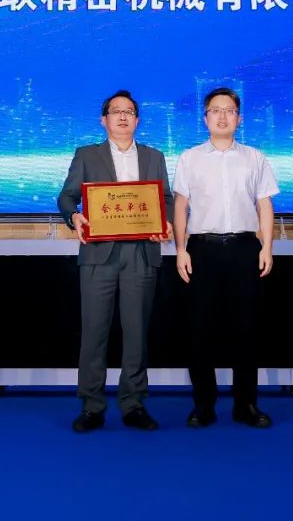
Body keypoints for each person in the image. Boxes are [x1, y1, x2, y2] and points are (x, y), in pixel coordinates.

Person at [58, 90, 174, 433]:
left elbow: (166, 198)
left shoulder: (154, 156)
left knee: (137, 333)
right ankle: (91, 406)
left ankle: (133, 404)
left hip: (141, 252)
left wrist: (166, 221)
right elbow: (67, 196)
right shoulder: (86, 155)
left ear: (137, 120)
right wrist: (74, 216)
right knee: (94, 332)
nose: (123, 116)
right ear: (104, 120)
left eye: (129, 112)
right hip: (99, 254)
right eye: (116, 111)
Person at [172, 87, 279, 429]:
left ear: (239, 118)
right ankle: (203, 405)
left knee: (246, 329)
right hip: (201, 250)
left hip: (244, 249)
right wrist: (180, 249)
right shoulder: (190, 158)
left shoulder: (255, 158)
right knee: (200, 330)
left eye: (229, 110)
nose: (222, 116)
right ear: (205, 118)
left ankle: (246, 404)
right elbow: (180, 206)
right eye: (215, 110)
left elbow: (264, 203)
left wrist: (267, 247)